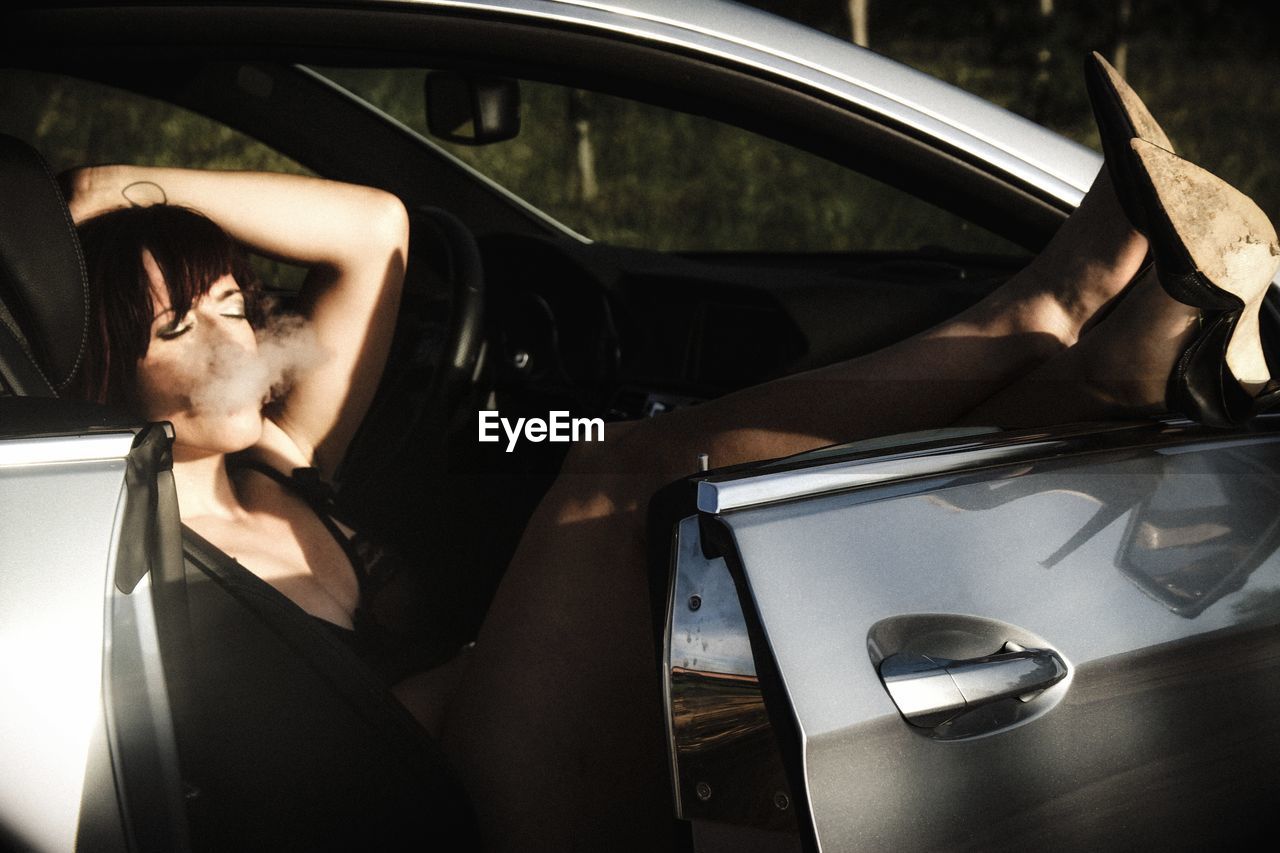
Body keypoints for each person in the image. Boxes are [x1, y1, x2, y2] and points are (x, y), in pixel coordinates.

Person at [60, 53, 1280, 851]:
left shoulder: (286, 446)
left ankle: (1091, 378)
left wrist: (133, 185)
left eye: (234, 296)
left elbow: (377, 230)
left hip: (509, 740)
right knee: (617, 478)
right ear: (114, 373)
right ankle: (1050, 310)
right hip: (457, 814)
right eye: (185, 322)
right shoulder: (125, 545)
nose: (238, 329)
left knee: (722, 513)